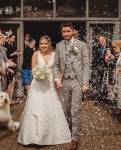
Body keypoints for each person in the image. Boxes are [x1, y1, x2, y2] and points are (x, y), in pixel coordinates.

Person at [18, 35, 71, 145]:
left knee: (52, 107)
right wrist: (38, 75)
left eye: (45, 43)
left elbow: (60, 70)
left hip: (50, 85)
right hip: (38, 85)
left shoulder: (55, 55)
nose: (43, 46)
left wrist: (58, 80)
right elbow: (32, 69)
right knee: (36, 109)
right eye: (41, 44)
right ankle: (34, 136)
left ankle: (50, 135)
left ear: (49, 44)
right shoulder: (35, 54)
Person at [53, 22, 90, 150]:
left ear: (73, 31)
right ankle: (66, 132)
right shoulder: (58, 46)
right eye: (64, 32)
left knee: (75, 111)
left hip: (77, 82)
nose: (66, 34)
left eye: (68, 31)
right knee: (65, 110)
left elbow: (86, 65)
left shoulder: (81, 45)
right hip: (64, 82)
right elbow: (56, 65)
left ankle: (75, 139)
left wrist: (85, 83)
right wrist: (57, 78)